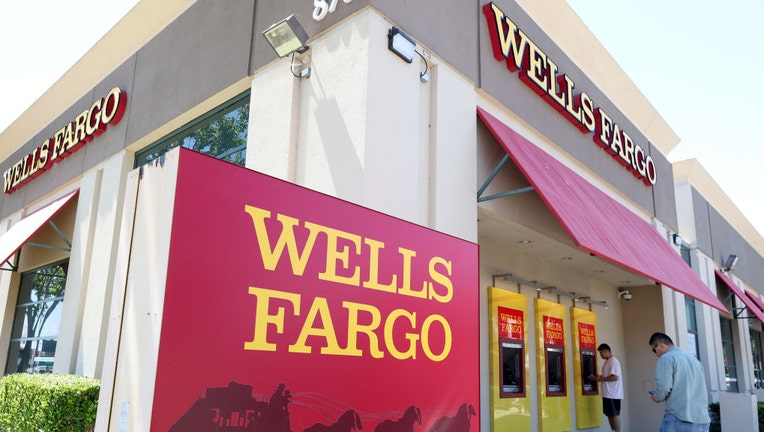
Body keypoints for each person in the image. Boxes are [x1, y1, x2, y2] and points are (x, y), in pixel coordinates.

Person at [648, 332, 710, 432]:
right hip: (702, 420)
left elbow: (664, 387)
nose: (656, 354)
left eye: (654, 350)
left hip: (679, 418)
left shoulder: (666, 358)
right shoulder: (695, 361)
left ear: (660, 345)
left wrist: (656, 397)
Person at [587, 343, 622, 432]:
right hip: (607, 393)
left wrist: (600, 379)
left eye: (601, 353)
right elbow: (606, 376)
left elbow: (615, 377)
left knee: (614, 414)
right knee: (609, 414)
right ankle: (613, 430)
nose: (600, 355)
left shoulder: (614, 361)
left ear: (606, 351)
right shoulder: (607, 362)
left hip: (613, 393)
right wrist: (597, 377)